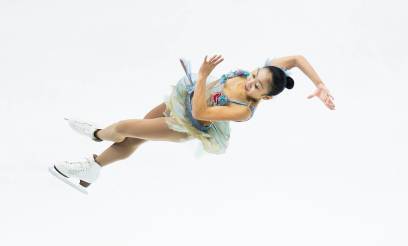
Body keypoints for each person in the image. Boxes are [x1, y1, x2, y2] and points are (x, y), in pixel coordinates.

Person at [48, 54, 335, 193]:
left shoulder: (242, 111)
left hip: (187, 124)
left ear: (265, 97)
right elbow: (296, 58)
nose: (250, 82)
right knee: (134, 138)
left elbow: (200, 110)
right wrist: (320, 84)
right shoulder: (270, 73)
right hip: (182, 99)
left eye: (256, 86)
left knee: (124, 127)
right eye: (254, 76)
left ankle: (97, 135)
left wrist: (202, 76)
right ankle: (94, 169)